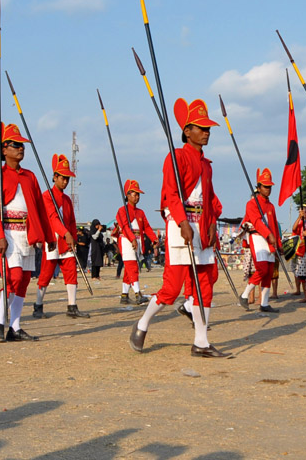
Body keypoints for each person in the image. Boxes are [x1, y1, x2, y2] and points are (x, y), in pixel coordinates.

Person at [131, 97, 226, 356]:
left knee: (204, 284)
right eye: (201, 128)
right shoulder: (175, 157)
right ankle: (142, 323)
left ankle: (201, 342)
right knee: (172, 288)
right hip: (180, 223)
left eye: (208, 129)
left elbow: (211, 199)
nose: (206, 132)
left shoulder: (207, 165)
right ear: (187, 131)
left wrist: (212, 223)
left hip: (202, 223)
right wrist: (183, 223)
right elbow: (172, 195)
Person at [0, 123, 52, 341]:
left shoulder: (30, 177)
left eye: (22, 145)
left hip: (27, 234)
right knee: (12, 278)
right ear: (4, 149)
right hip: (8, 233)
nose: (21, 149)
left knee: (23, 280)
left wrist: (48, 236)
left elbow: (40, 210)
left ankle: (15, 326)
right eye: (15, 145)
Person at [33, 154, 87, 319]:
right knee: (46, 274)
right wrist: (66, 234)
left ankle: (72, 305)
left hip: (67, 241)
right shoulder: (46, 197)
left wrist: (73, 239)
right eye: (62, 178)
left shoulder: (67, 200)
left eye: (67, 178)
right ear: (55, 177)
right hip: (52, 241)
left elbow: (71, 221)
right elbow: (52, 219)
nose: (65, 181)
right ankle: (38, 305)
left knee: (71, 271)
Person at [239, 168, 281, 313]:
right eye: (265, 186)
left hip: (270, 240)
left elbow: (275, 225)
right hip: (258, 237)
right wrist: (269, 235)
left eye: (269, 187)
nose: (268, 189)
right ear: (258, 188)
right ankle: (245, 295)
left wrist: (278, 243)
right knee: (262, 269)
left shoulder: (271, 206)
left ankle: (265, 303)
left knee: (269, 272)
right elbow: (256, 221)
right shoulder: (252, 204)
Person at [114, 179, 157, 305]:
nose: (137, 197)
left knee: (129, 269)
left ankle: (124, 295)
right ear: (127, 195)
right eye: (134, 194)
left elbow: (147, 227)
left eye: (138, 194)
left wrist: (154, 238)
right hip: (127, 239)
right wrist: (132, 239)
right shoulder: (122, 210)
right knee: (132, 266)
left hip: (138, 240)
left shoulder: (140, 212)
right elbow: (125, 227)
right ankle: (138, 294)